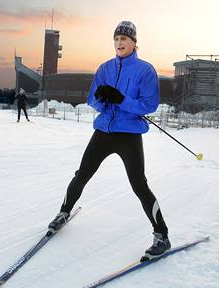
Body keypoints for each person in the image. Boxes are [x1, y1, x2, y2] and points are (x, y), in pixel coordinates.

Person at [48, 21, 170, 259]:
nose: (119, 43)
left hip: (129, 134)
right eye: (116, 39)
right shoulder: (105, 68)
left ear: (134, 42)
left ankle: (162, 235)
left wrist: (121, 98)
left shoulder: (145, 70)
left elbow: (149, 105)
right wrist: (102, 99)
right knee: (81, 174)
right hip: (104, 131)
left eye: (124, 39)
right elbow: (92, 99)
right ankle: (63, 213)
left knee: (139, 185)